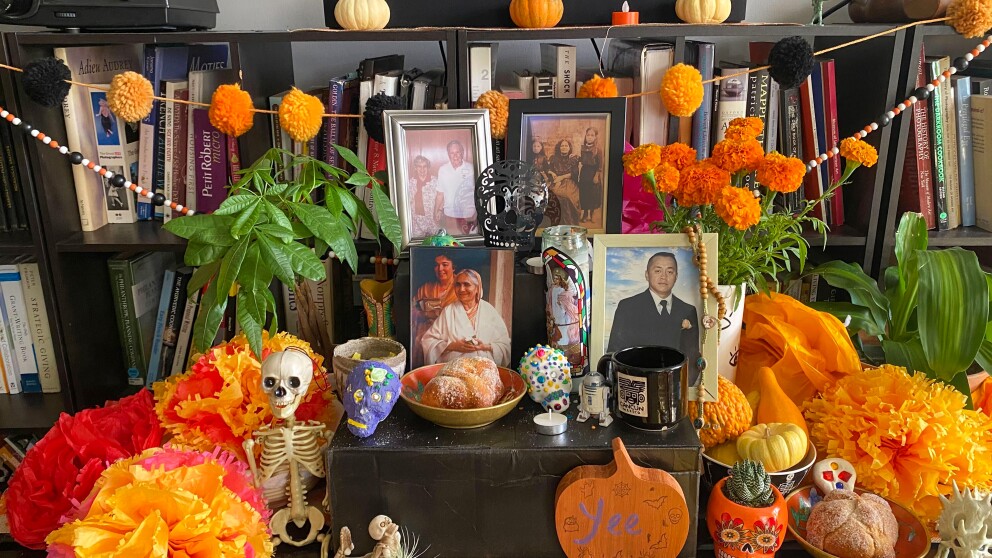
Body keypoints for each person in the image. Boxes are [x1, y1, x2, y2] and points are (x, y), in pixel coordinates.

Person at [607, 252, 700, 385]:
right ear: (647, 274)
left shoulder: (688, 310)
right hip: (636, 384)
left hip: (674, 386)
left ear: (676, 276)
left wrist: (683, 388)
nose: (664, 277)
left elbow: (692, 354)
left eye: (670, 272)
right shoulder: (627, 307)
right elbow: (614, 352)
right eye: (657, 271)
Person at [421, 269, 511, 367]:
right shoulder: (448, 311)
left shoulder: (489, 310)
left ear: (477, 288)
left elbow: (505, 345)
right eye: (458, 285)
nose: (461, 289)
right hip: (454, 369)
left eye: (466, 284)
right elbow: (428, 340)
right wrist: (452, 346)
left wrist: (485, 347)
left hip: (484, 370)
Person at [411, 254, 458, 366]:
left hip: (453, 332)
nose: (440, 269)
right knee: (420, 339)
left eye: (445, 264)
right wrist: (427, 314)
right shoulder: (426, 288)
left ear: (453, 267)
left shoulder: (461, 287)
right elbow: (411, 310)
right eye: (436, 265)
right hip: (426, 333)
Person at [435, 140, 476, 235]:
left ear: (462, 152)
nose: (455, 155)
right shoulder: (443, 170)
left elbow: (479, 194)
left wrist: (477, 215)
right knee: (452, 245)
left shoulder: (472, 169)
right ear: (448, 155)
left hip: (469, 217)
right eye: (452, 153)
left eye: (457, 152)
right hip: (450, 216)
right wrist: (437, 211)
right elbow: (440, 194)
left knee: (469, 245)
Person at [547, 139, 581, 226]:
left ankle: (569, 223)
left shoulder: (573, 159)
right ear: (559, 147)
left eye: (566, 146)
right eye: (562, 146)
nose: (564, 147)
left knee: (567, 196)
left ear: (569, 148)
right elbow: (549, 170)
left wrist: (561, 177)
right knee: (552, 195)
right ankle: (555, 222)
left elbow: (574, 174)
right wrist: (553, 173)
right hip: (556, 181)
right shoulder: (553, 158)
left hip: (569, 182)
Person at [409, 155, 444, 239]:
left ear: (428, 168)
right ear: (415, 168)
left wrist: (439, 210)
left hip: (432, 220)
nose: (422, 170)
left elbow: (442, 196)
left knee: (436, 244)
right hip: (416, 222)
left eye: (425, 167)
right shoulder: (411, 182)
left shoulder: (435, 181)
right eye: (419, 167)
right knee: (418, 245)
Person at [577, 127, 603, 224]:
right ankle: (584, 215)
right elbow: (583, 160)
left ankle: (590, 215)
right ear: (585, 136)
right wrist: (575, 157)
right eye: (588, 135)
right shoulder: (583, 148)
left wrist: (596, 176)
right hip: (584, 172)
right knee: (584, 193)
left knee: (592, 194)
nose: (590, 137)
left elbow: (600, 164)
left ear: (595, 137)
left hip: (593, 172)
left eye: (592, 135)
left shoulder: (598, 149)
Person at [548, 271, 579, 347]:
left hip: (560, 308)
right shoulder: (552, 287)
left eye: (557, 279)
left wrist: (560, 303)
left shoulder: (563, 289)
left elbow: (567, 298)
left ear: (560, 279)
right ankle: (557, 340)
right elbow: (550, 298)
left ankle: (564, 340)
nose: (555, 280)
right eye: (554, 278)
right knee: (556, 324)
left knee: (562, 323)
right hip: (554, 308)